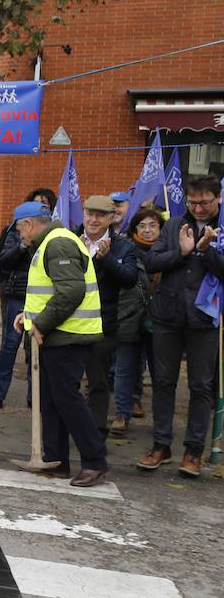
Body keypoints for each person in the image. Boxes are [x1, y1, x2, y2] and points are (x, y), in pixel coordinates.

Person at [11, 201, 110, 487]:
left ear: (29, 224)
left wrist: (40, 323)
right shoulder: (54, 242)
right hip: (60, 333)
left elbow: (71, 291)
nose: (20, 236)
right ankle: (55, 460)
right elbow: (52, 291)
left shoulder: (57, 243)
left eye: (20, 229)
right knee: (52, 399)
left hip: (67, 335)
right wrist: (29, 317)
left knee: (66, 398)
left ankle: (94, 461)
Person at [136, 175, 224, 477]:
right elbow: (151, 261)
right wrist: (183, 252)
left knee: (201, 386)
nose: (198, 208)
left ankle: (193, 451)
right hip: (167, 315)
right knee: (163, 381)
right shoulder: (173, 225)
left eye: (205, 202)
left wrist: (205, 250)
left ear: (218, 198)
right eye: (193, 202)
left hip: (205, 319)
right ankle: (161, 445)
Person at [77, 195, 141, 437]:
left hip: (103, 325)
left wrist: (107, 260)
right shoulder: (70, 239)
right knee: (67, 381)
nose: (93, 220)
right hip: (69, 322)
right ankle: (65, 429)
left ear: (111, 218)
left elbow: (129, 279)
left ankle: (96, 433)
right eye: (89, 214)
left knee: (98, 382)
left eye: (100, 215)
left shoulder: (123, 246)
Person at [0, 188, 57, 408]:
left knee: (35, 348)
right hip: (17, 296)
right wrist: (22, 246)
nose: (20, 230)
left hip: (41, 301)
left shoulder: (53, 239)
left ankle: (34, 397)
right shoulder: (13, 234)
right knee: (9, 346)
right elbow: (3, 261)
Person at [115, 207, 160, 431]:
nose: (147, 230)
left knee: (160, 373)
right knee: (124, 369)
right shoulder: (126, 250)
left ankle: (161, 422)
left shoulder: (169, 250)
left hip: (159, 320)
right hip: (129, 316)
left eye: (153, 225)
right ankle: (121, 414)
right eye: (142, 226)